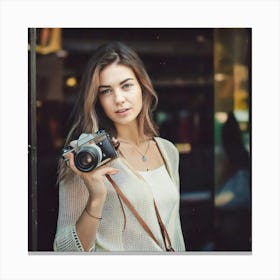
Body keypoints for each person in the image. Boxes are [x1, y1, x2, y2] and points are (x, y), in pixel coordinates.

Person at [53, 41, 186, 252]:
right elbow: (65, 251)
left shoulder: (167, 150)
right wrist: (96, 197)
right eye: (106, 91)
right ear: (97, 100)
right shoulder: (87, 155)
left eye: (126, 85)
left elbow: (175, 234)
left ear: (142, 86)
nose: (119, 99)